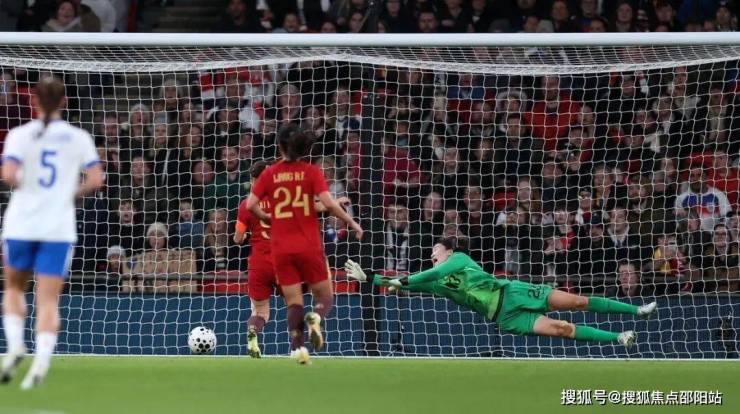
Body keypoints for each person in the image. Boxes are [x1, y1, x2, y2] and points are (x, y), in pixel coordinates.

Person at [345, 238, 658, 346]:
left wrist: (402, 282)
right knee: (561, 329)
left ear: (449, 252)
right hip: (505, 317)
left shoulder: (459, 260)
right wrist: (369, 277)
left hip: (514, 293)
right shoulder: (438, 285)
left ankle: (637, 310)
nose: (432, 255)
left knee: (576, 301)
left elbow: (428, 274)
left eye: (436, 250)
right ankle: (619, 337)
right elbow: (405, 281)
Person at [0, 77, 104, 389]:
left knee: (14, 288)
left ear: (34, 101)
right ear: (63, 102)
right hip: (57, 227)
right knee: (48, 300)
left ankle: (15, 345)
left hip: (22, 223)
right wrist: (69, 193)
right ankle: (41, 363)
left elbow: (8, 174)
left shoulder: (19, 135)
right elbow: (96, 179)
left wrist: (32, 187)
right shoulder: (78, 137)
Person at [246, 125, 363, 364]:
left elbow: (250, 205)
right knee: (324, 296)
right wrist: (351, 222)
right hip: (309, 245)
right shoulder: (311, 172)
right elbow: (328, 204)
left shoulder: (270, 174)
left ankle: (298, 350)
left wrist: (267, 218)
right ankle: (316, 318)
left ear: (280, 146)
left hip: (281, 248)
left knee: (294, 302)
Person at [234, 160, 350, 358]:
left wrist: (245, 235)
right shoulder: (284, 199)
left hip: (259, 264)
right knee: (295, 305)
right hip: (284, 262)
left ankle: (253, 332)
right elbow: (316, 207)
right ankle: (297, 347)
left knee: (260, 312)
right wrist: (335, 202)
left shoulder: (246, 205)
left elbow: (237, 239)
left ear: (253, 180)